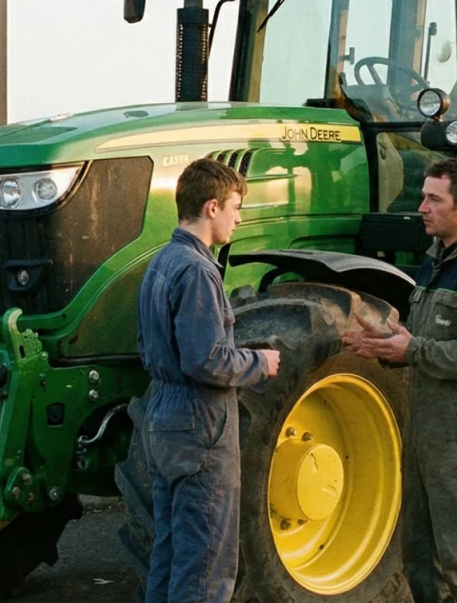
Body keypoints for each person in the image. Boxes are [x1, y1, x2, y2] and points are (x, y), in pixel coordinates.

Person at [342, 157, 457, 603]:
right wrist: (389, 345)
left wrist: (414, 350)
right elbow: (426, 341)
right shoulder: (435, 261)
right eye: (423, 197)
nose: (421, 207)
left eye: (434, 199)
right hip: (426, 431)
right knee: (420, 556)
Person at [137, 158, 281, 603]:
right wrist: (260, 361)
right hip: (200, 423)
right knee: (206, 567)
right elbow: (206, 361)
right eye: (235, 207)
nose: (238, 218)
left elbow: (148, 344)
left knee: (170, 557)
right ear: (212, 207)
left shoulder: (162, 262)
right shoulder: (198, 270)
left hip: (163, 418)